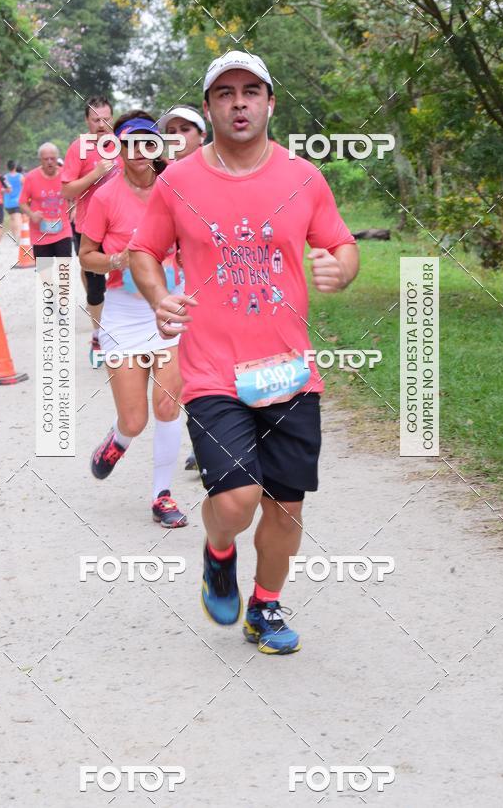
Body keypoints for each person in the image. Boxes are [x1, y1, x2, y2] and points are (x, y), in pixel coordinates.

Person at [129, 51, 359, 654]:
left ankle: (265, 606)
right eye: (225, 93)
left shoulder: (303, 177)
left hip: (289, 373)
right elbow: (143, 250)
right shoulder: (178, 182)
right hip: (213, 372)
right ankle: (219, 549)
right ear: (209, 107)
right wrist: (158, 296)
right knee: (236, 500)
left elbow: (340, 242)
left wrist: (342, 269)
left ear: (269, 103)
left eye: (251, 91)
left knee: (285, 508)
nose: (239, 103)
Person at [80, 111, 187, 528]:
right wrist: (116, 260)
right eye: (131, 143)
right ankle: (119, 437)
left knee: (167, 405)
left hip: (169, 307)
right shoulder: (105, 197)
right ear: (118, 148)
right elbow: (86, 256)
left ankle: (162, 495)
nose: (140, 150)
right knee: (135, 419)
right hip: (124, 314)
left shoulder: (175, 188)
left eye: (148, 142)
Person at [157, 105, 207, 473]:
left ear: (201, 136)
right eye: (170, 131)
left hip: (227, 288)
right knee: (189, 371)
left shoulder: (222, 174)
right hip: (180, 290)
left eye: (184, 129)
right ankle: (203, 443)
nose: (176, 137)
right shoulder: (161, 182)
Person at [61, 95, 123, 366]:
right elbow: (67, 191)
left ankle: (128, 332)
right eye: (96, 120)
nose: (101, 124)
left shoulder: (124, 143)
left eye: (106, 119)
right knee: (96, 286)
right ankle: (98, 335)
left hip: (121, 225)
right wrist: (95, 174)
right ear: (87, 121)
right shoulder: (78, 148)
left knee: (130, 279)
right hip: (89, 226)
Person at [19, 143, 73, 257]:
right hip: (40, 235)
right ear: (40, 160)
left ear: (57, 158)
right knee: (44, 269)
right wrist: (32, 214)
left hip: (63, 231)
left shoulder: (66, 175)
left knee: (64, 267)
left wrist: (75, 208)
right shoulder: (31, 177)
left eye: (52, 158)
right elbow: (22, 202)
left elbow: (76, 193)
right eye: (46, 159)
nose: (49, 162)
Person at [4, 160, 24, 242]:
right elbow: (25, 187)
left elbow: (3, 188)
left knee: (12, 218)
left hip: (8, 202)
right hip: (17, 201)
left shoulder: (5, 177)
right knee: (18, 218)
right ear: (15, 167)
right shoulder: (20, 176)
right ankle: (18, 237)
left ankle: (15, 237)